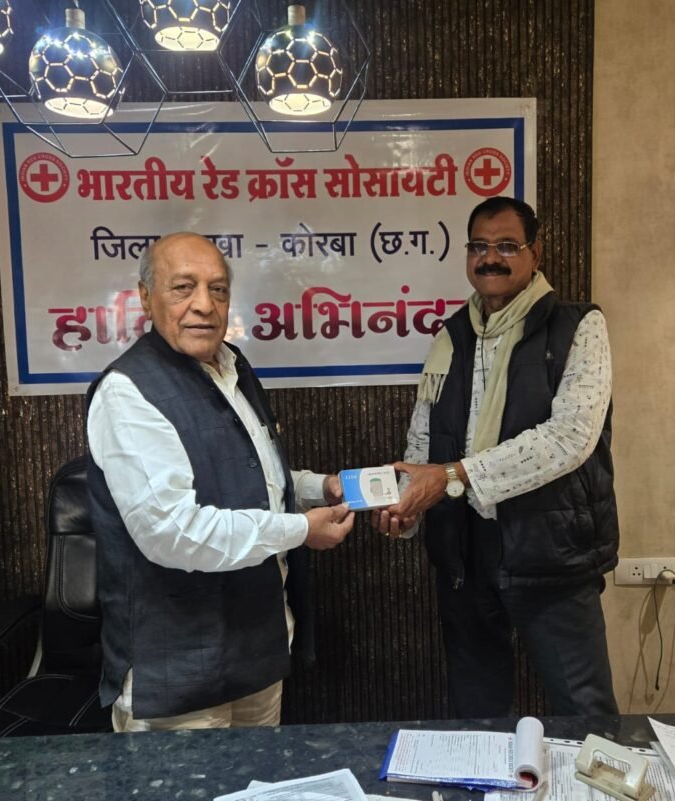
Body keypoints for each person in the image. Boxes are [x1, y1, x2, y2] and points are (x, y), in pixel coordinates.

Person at [86, 232, 355, 732]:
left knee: (260, 776)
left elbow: (247, 474)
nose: (204, 305)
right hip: (178, 677)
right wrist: (301, 530)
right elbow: (172, 531)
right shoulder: (127, 392)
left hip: (258, 651)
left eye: (218, 289)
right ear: (145, 297)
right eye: (182, 288)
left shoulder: (232, 367)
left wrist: (319, 488)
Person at [376, 197, 619, 717]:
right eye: (479, 247)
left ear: (535, 253)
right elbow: (424, 437)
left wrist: (451, 475)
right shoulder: (450, 337)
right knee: (477, 713)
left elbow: (568, 438)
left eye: (507, 246)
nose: (491, 258)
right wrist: (407, 506)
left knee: (585, 710)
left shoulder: (578, 326)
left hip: (549, 550)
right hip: (464, 553)